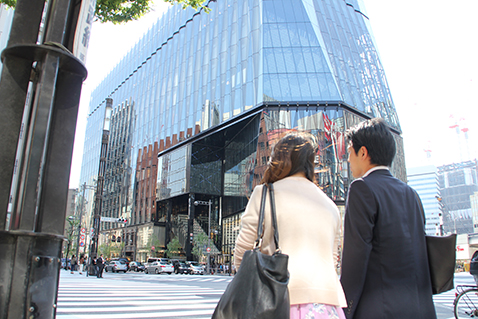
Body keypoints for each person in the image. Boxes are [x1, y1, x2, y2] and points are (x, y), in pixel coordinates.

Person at [234, 132, 347, 318]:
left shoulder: (264, 193)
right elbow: (333, 259)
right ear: (310, 163)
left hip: (278, 301)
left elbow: (243, 252)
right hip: (327, 306)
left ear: (278, 159)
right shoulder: (330, 206)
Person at [340, 118, 436, 319]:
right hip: (421, 308)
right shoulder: (411, 194)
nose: (348, 159)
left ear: (363, 152)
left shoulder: (361, 188)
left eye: (350, 152)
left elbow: (355, 257)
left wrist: (344, 309)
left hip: (380, 309)